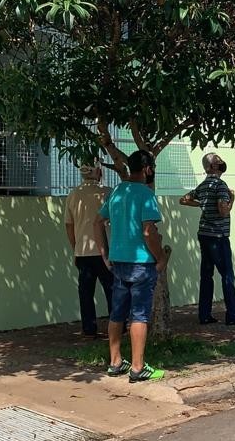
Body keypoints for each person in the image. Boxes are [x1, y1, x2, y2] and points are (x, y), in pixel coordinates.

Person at [99, 150, 169, 382]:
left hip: (118, 262)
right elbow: (148, 231)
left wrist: (105, 254)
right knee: (139, 315)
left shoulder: (117, 191)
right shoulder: (146, 194)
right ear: (148, 169)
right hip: (141, 263)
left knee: (117, 313)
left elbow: (96, 222)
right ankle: (138, 367)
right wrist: (160, 257)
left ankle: (115, 362)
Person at [181, 153, 235, 326]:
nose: (221, 163)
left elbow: (184, 199)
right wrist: (232, 199)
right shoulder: (220, 185)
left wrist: (202, 204)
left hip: (204, 234)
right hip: (218, 236)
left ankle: (204, 314)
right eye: (217, 161)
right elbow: (223, 210)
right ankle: (233, 315)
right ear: (210, 167)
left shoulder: (203, 186)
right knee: (227, 276)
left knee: (206, 275)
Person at [65, 164, 112, 338]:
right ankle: (118, 326)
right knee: (112, 289)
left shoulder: (73, 194)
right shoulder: (108, 192)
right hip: (105, 251)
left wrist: (75, 247)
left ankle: (89, 329)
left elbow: (69, 225)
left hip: (83, 251)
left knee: (86, 293)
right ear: (99, 172)